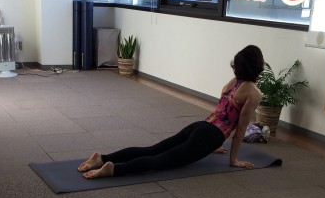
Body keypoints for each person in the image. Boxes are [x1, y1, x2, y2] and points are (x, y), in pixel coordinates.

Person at [78, 44, 264, 179]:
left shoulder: (233, 82)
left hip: (200, 126)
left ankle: (101, 159)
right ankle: (114, 169)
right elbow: (240, 129)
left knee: (152, 150)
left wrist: (212, 145)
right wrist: (234, 160)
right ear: (258, 65)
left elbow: (222, 112)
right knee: (160, 160)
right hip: (209, 136)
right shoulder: (254, 93)